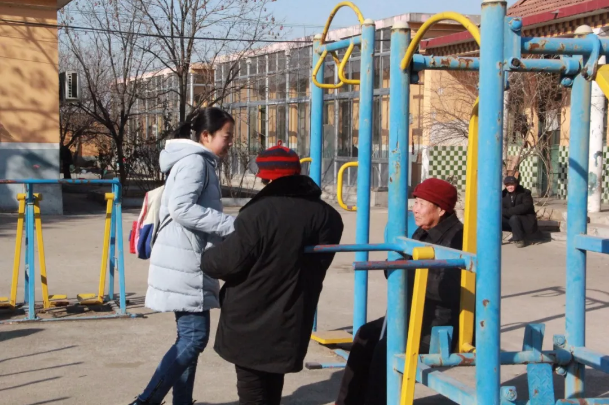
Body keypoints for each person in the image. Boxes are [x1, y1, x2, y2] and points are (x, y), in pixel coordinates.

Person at [200, 141, 344, 405]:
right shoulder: (328, 216)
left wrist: (206, 256)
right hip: (293, 315)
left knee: (252, 388)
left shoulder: (259, 214)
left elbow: (226, 263)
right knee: (273, 382)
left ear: (266, 177)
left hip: (251, 317)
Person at [129, 107, 236, 405]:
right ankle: (145, 401)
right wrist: (231, 225)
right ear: (206, 136)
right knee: (193, 338)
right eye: (226, 136)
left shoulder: (197, 162)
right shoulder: (195, 162)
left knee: (188, 340)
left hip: (185, 259)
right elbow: (181, 208)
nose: (230, 142)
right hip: (185, 262)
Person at [336, 178, 463, 405]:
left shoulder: (457, 238)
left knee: (385, 350)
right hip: (410, 314)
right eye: (415, 202)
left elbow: (444, 289)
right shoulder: (421, 233)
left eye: (421, 204)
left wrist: (403, 271)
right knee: (365, 335)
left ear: (441, 209)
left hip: (437, 323)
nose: (415, 209)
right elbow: (395, 273)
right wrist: (398, 270)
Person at [502, 175, 538, 248]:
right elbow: (501, 208)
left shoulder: (525, 193)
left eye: (512, 184)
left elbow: (525, 207)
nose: (510, 187)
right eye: (508, 185)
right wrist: (507, 212)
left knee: (514, 218)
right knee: (496, 218)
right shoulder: (503, 194)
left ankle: (519, 240)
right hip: (510, 219)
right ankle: (496, 237)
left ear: (516, 184)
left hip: (526, 220)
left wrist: (508, 212)